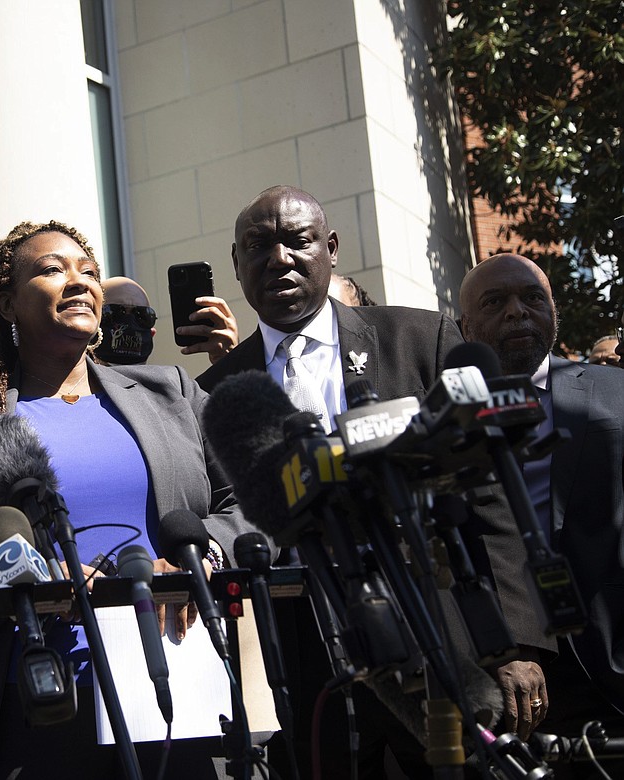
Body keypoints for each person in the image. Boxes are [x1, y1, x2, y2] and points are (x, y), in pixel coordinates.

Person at [0, 220, 254, 779]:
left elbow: (251, 497)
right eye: (51, 269)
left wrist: (199, 557)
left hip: (169, 690)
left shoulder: (173, 393)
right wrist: (14, 576)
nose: (79, 282)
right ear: (6, 302)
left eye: (88, 272)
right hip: (22, 707)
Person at [197, 185, 544, 777]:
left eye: (297, 241)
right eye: (258, 246)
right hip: (303, 659)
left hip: (445, 639)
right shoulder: (215, 391)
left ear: (330, 249)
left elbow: (489, 496)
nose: (279, 258)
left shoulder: (420, 337)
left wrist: (512, 642)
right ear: (236, 264)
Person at [460, 254, 624, 758]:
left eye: (533, 298)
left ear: (553, 310)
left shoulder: (612, 391)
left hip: (611, 657)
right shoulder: (442, 420)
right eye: (496, 302)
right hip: (505, 677)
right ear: (465, 325)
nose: (517, 312)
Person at [97, 275, 238, 366]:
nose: (129, 322)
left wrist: (227, 360)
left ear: (151, 334)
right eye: (113, 312)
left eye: (142, 315)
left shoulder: (174, 390)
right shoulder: (78, 392)